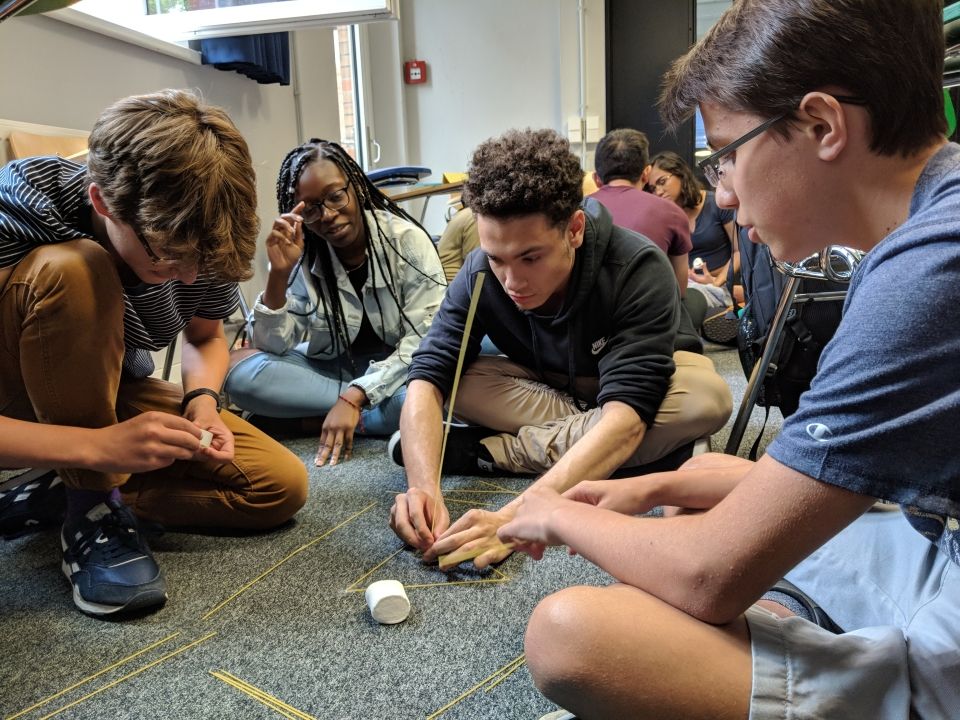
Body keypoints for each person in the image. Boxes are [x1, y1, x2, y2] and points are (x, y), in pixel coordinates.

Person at [498, 1, 960, 718]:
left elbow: (711, 576)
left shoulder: (928, 272)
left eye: (729, 154)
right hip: (935, 539)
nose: (726, 193)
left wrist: (554, 512)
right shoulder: (933, 223)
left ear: (822, 125)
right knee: (703, 475)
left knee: (570, 636)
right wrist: (650, 492)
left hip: (944, 587)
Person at [0, 89, 308, 617]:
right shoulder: (20, 214)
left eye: (199, 263)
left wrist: (203, 403)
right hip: (15, 388)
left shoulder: (195, 238)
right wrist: (97, 450)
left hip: (106, 387)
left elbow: (206, 335)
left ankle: (50, 493)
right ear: (102, 202)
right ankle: (90, 509)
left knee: (277, 486)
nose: (187, 277)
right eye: (168, 257)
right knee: (77, 268)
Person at [389, 128, 731, 570]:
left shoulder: (637, 264)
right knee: (453, 384)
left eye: (530, 258)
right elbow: (428, 375)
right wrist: (423, 488)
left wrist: (517, 515)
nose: (511, 281)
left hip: (643, 385)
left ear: (574, 229)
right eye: (497, 259)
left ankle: (495, 452)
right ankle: (650, 454)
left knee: (703, 400)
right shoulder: (478, 272)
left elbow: (628, 413)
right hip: (552, 387)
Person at [224, 140, 446, 467]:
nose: (328, 215)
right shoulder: (304, 254)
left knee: (449, 385)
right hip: (335, 370)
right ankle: (379, 416)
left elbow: (424, 341)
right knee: (237, 375)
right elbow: (272, 346)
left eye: (335, 196)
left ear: (354, 187)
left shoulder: (405, 241)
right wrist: (279, 274)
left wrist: (354, 398)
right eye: (311, 207)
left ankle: (314, 421)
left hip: (403, 370)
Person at [649, 150, 739, 342]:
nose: (658, 192)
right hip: (683, 285)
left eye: (662, 182)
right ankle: (705, 325)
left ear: (680, 174)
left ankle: (683, 337)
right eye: (652, 188)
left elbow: (739, 252)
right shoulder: (664, 215)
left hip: (716, 284)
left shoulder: (715, 203)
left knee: (688, 301)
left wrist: (717, 280)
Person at [589, 128, 692, 295]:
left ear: (596, 179)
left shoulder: (576, 211)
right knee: (697, 298)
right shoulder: (673, 213)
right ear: (646, 173)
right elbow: (679, 290)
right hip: (651, 316)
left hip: (589, 318)